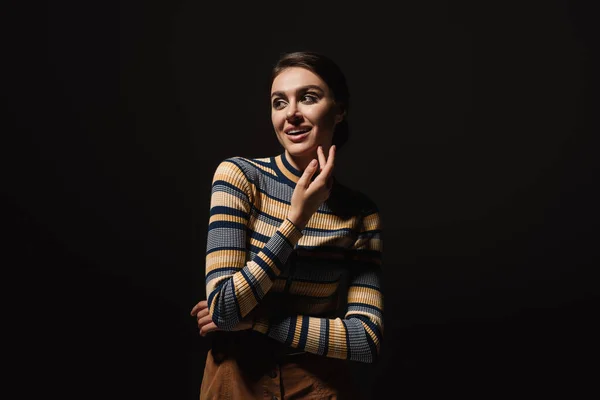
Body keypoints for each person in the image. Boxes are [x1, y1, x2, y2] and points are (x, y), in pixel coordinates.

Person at [190, 50, 384, 399]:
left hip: (318, 384)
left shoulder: (360, 212)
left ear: (339, 110)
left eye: (308, 98)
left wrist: (261, 322)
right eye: (279, 102)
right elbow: (224, 310)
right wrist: (297, 219)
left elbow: (366, 339)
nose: (291, 113)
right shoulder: (239, 177)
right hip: (235, 378)